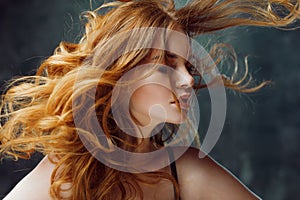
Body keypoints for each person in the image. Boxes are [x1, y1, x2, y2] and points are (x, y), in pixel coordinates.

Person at [0, 0, 299, 199]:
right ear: (123, 72)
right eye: (167, 63)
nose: (187, 80)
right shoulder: (64, 176)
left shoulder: (185, 170)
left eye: (187, 66)